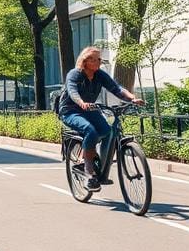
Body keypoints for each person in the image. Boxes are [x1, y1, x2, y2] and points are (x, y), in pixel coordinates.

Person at [58, 46, 144, 192]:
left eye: (99, 59)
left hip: (90, 109)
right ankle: (89, 172)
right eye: (95, 59)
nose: (99, 61)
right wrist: (81, 103)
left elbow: (116, 88)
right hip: (71, 111)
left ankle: (101, 165)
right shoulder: (74, 74)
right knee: (90, 130)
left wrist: (132, 98)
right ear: (85, 61)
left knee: (108, 131)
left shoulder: (99, 74)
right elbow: (72, 91)